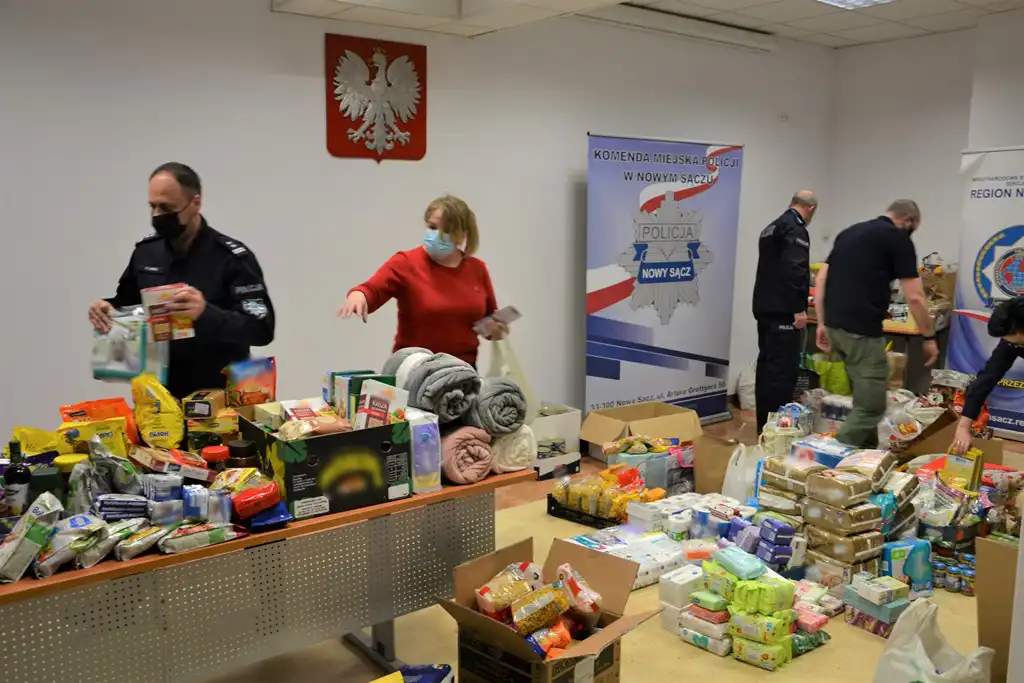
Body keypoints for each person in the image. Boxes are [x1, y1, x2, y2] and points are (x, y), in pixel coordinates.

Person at [89, 162, 275, 399]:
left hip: (221, 398)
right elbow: (128, 303)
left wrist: (205, 313)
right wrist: (107, 309)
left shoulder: (232, 258)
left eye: (167, 208)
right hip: (158, 399)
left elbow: (262, 329)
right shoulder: (146, 253)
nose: (157, 215)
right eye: (152, 206)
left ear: (195, 203)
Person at [815, 199, 938, 448]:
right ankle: (827, 461)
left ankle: (865, 460)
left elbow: (822, 278)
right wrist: (928, 337)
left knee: (862, 402)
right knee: (871, 408)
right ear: (909, 221)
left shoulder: (849, 233)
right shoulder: (898, 238)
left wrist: (821, 322)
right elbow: (915, 297)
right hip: (862, 333)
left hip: (835, 328)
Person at [338, 195, 503, 367]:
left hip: (463, 371)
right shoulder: (406, 262)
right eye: (432, 227)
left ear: (462, 235)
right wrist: (359, 295)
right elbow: (373, 289)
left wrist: (495, 330)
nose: (437, 235)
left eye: (446, 231)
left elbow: (488, 319)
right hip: (414, 370)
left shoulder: (477, 269)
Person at [752, 190, 817, 434]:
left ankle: (763, 428)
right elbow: (795, 269)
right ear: (810, 209)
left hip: (765, 311)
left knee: (766, 371)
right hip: (784, 314)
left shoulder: (771, 227)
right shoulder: (796, 229)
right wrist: (799, 309)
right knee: (782, 374)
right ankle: (777, 432)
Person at [950, 297, 1024, 454]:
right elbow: (987, 378)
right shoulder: (1012, 337)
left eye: (1017, 344)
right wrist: (963, 427)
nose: (1012, 346)